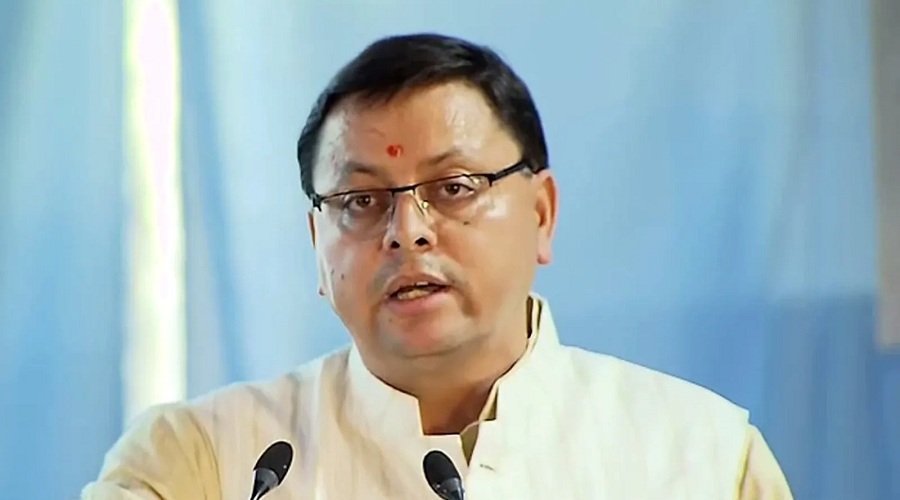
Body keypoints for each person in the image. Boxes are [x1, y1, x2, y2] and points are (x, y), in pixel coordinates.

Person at [82, 33, 793, 499]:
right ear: (317, 245)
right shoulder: (203, 464)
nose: (407, 232)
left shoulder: (702, 459)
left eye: (453, 189)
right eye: (361, 201)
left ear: (542, 213)